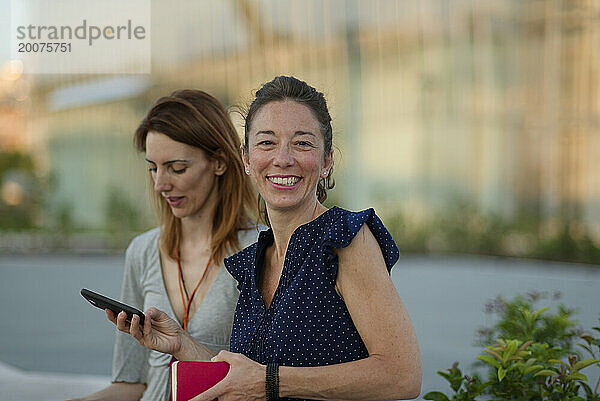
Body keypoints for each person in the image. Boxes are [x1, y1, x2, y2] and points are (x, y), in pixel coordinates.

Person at [110, 76, 422, 401]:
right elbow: (245, 380)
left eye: (302, 143)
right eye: (267, 143)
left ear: (327, 160)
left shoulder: (344, 238)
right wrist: (181, 344)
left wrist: (270, 381)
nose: (283, 158)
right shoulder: (254, 259)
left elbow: (401, 375)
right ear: (246, 159)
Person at [69, 89, 260, 401]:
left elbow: (265, 383)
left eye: (177, 168)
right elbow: (131, 385)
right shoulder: (142, 251)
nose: (160, 184)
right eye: (153, 168)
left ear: (220, 163)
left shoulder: (263, 250)